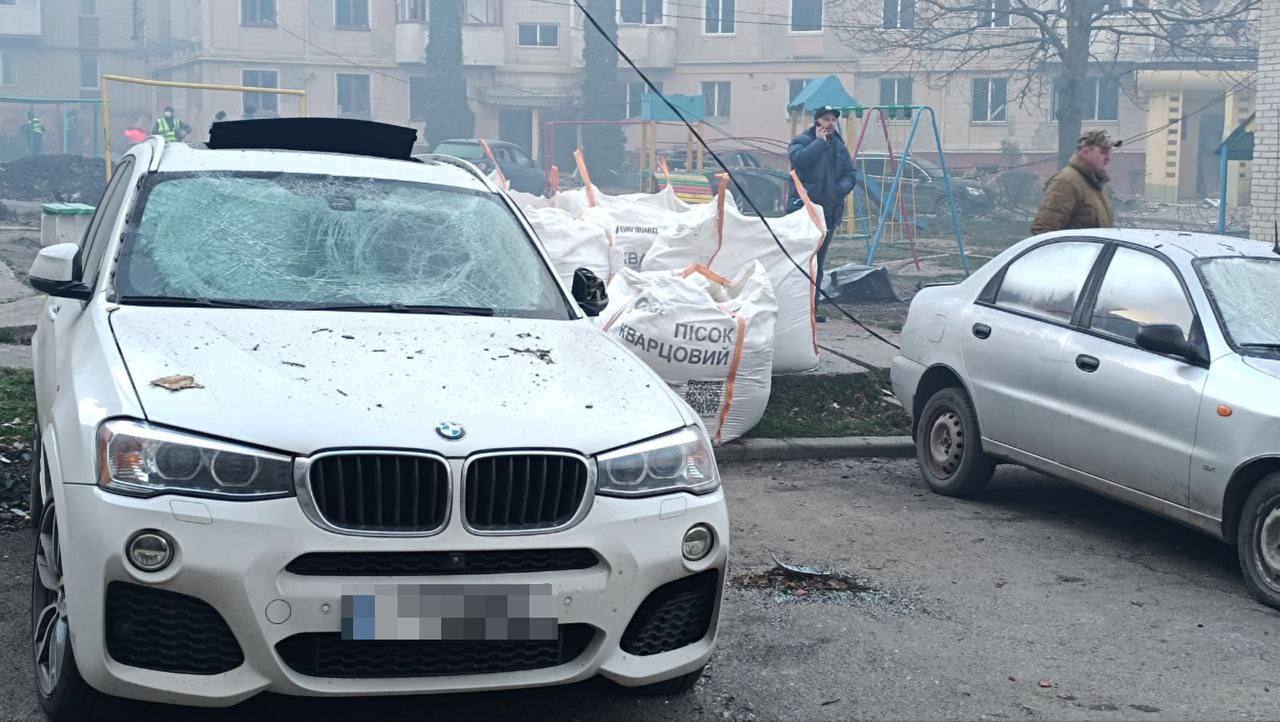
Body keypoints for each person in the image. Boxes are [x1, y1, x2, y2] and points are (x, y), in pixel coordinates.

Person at [789, 105, 857, 319]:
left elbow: (851, 174)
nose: (830, 123)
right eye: (826, 119)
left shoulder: (839, 146)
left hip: (829, 212)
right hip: (803, 212)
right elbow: (798, 161)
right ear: (817, 121)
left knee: (818, 262)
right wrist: (818, 144)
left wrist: (839, 190)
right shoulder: (803, 142)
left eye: (833, 120)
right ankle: (794, 308)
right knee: (799, 260)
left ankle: (811, 310)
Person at [1031, 130, 1119, 235]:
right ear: (1086, 152)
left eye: (1109, 152)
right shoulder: (1066, 182)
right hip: (1074, 251)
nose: (1108, 158)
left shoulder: (1096, 184)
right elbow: (1044, 231)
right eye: (1103, 152)